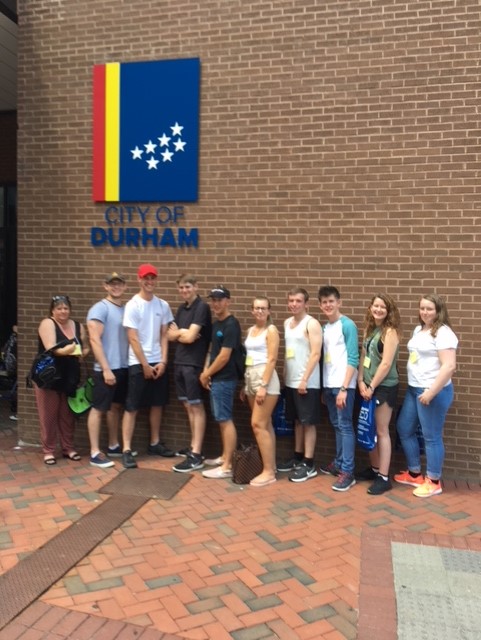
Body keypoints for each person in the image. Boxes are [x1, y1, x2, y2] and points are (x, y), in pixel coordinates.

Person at [394, 294, 458, 498]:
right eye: (422, 308)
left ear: (438, 310)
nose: (425, 312)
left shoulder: (443, 333)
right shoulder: (419, 330)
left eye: (429, 309)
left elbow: (449, 366)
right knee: (404, 428)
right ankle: (415, 474)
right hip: (414, 389)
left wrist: (431, 392)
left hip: (432, 391)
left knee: (432, 437)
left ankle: (434, 481)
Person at [121, 263, 175, 469]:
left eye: (152, 278)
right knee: (132, 406)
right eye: (146, 278)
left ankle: (154, 443)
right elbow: (132, 338)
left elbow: (164, 335)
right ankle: (127, 449)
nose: (149, 282)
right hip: (138, 362)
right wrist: (144, 364)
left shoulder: (163, 305)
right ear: (139, 279)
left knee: (157, 404)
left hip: (158, 362)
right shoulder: (133, 305)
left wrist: (163, 361)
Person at [34, 296, 89, 465]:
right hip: (49, 378)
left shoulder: (78, 326)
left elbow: (86, 346)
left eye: (66, 308)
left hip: (69, 377)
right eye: (59, 308)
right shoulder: (47, 323)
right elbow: (52, 348)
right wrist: (68, 350)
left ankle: (68, 448)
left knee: (67, 415)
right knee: (48, 415)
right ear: (52, 310)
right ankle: (48, 450)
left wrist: (82, 353)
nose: (63, 311)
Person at [357, 294, 401, 495]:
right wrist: (360, 381)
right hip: (367, 386)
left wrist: (372, 386)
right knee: (370, 428)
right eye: (376, 306)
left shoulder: (390, 332)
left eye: (383, 307)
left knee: (382, 430)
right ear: (370, 307)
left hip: (383, 387)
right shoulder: (369, 328)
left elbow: (386, 363)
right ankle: (374, 469)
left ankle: (383, 477)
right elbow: (364, 356)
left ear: (388, 311)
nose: (378, 310)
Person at [168, 274, 212, 473]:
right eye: (181, 287)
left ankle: (196, 453)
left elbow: (191, 337)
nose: (184, 290)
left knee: (196, 406)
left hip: (193, 364)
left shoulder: (202, 307)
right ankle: (194, 446)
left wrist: (182, 333)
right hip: (179, 362)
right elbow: (170, 335)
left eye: (188, 287)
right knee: (188, 406)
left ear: (196, 287)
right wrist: (182, 333)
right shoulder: (181, 308)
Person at [86, 272, 130, 469]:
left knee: (115, 407)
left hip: (122, 367)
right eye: (112, 284)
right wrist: (105, 369)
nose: (116, 287)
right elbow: (94, 339)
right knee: (98, 409)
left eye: (119, 284)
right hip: (106, 369)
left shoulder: (125, 309)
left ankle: (113, 445)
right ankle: (95, 452)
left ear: (125, 286)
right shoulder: (100, 308)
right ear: (105, 286)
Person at [277, 287, 322, 483]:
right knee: (296, 421)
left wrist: (305, 378)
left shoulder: (311, 324)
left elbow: (316, 353)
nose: (294, 304)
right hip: (291, 381)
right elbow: (289, 351)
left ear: (306, 304)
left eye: (298, 301)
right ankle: (297, 457)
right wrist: (284, 374)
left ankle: (309, 462)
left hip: (307, 382)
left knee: (308, 422)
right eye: (291, 300)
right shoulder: (287, 323)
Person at [318, 285, 359, 492]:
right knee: (337, 425)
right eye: (324, 302)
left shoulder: (347, 325)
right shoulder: (324, 328)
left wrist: (344, 388)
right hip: (329, 385)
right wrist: (325, 388)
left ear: (339, 302)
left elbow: (353, 358)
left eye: (331, 301)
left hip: (344, 386)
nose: (328, 305)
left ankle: (348, 472)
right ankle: (340, 462)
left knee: (345, 426)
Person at [200, 285, 241, 479]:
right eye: (213, 300)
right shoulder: (216, 324)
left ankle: (227, 466)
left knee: (225, 419)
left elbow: (224, 356)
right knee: (221, 419)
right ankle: (224, 456)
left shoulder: (231, 325)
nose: (216, 304)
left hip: (225, 379)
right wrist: (206, 372)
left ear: (228, 301)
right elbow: (212, 351)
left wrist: (206, 374)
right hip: (216, 378)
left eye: (219, 300)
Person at [240, 296, 280, 486]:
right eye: (256, 308)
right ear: (252, 310)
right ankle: (270, 465)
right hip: (250, 376)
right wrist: (245, 385)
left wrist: (263, 385)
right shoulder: (250, 331)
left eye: (263, 308)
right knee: (265, 424)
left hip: (265, 378)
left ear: (269, 310)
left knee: (257, 424)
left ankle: (268, 472)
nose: (260, 311)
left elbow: (272, 359)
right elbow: (249, 357)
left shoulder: (271, 330)